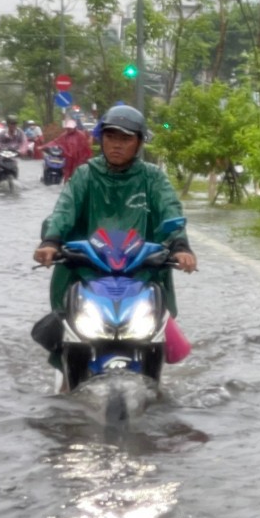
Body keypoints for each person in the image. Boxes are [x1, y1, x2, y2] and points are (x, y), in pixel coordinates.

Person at [32, 105, 198, 385]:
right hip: (88, 270)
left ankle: (154, 387)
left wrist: (180, 246)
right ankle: (66, 382)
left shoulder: (153, 178)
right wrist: (51, 240)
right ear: (101, 139)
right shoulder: (85, 175)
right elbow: (64, 210)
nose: (116, 145)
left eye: (125, 139)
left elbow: (171, 211)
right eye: (110, 137)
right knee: (65, 323)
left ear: (139, 143)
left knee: (157, 324)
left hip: (140, 271)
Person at [38, 118, 93, 182]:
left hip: (79, 159)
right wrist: (43, 147)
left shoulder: (81, 135)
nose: (68, 130)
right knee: (67, 175)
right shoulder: (64, 135)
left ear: (74, 127)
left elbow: (86, 148)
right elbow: (55, 141)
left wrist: (85, 158)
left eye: (70, 128)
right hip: (68, 159)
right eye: (67, 128)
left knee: (78, 175)